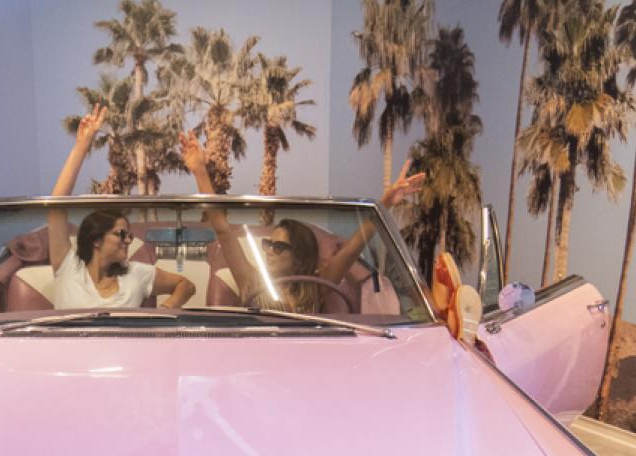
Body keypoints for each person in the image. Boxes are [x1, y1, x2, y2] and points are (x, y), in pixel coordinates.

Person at [178, 131, 421, 314]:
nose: (269, 252)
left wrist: (385, 202)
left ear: (300, 256)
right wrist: (200, 170)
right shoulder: (251, 281)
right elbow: (223, 230)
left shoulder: (315, 287)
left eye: (279, 247)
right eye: (268, 244)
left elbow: (351, 250)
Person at [47, 107, 195, 311]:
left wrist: (166, 309)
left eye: (129, 236)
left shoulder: (136, 273)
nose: (128, 241)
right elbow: (56, 206)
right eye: (121, 234)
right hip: (67, 343)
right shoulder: (68, 266)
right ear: (96, 239)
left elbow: (186, 285)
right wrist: (82, 146)